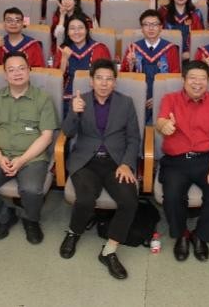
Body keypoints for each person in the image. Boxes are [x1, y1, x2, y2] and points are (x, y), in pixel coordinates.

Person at [59, 59, 141, 280]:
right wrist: (74, 112)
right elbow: (67, 133)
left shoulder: (126, 103)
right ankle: (73, 232)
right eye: (99, 78)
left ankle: (109, 251)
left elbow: (134, 138)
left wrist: (126, 163)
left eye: (109, 79)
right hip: (86, 161)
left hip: (116, 162)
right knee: (85, 199)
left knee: (129, 201)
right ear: (91, 81)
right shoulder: (80, 101)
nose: (104, 83)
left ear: (115, 82)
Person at [0, 53, 58, 244]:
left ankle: (31, 219)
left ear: (29, 70)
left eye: (21, 68)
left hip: (32, 158)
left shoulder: (43, 99)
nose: (17, 73)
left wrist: (22, 160)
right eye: (11, 69)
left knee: (32, 190)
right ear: (5, 75)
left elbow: (46, 136)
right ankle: (5, 216)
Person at [156, 60, 209, 262]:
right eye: (192, 78)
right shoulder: (170, 99)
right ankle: (181, 234)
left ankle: (200, 235)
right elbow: (161, 121)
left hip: (206, 160)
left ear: (208, 81)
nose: (197, 83)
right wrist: (164, 126)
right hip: (176, 161)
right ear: (184, 80)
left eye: (202, 79)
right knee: (172, 195)